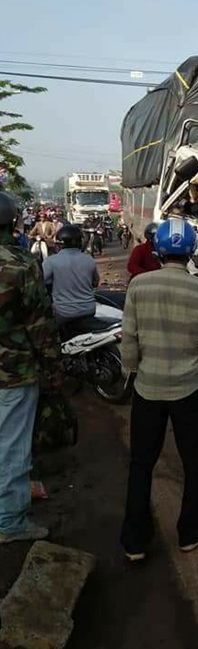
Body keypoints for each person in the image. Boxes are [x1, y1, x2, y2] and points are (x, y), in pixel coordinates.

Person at [120, 217, 198, 562]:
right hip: (188, 389)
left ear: (158, 249)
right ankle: (190, 534)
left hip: (148, 388)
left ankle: (135, 543)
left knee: (141, 464)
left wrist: (132, 372)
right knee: (193, 463)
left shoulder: (138, 286)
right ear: (191, 250)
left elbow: (129, 339)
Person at [0, 191, 61, 544]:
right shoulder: (21, 264)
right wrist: (53, 368)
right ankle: (10, 523)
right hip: (14, 373)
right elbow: (40, 325)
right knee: (11, 448)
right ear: (12, 222)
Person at [43, 225, 99, 333]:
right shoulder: (89, 260)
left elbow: (41, 283)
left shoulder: (50, 262)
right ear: (80, 242)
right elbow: (95, 283)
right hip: (89, 310)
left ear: (58, 244)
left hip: (63, 313)